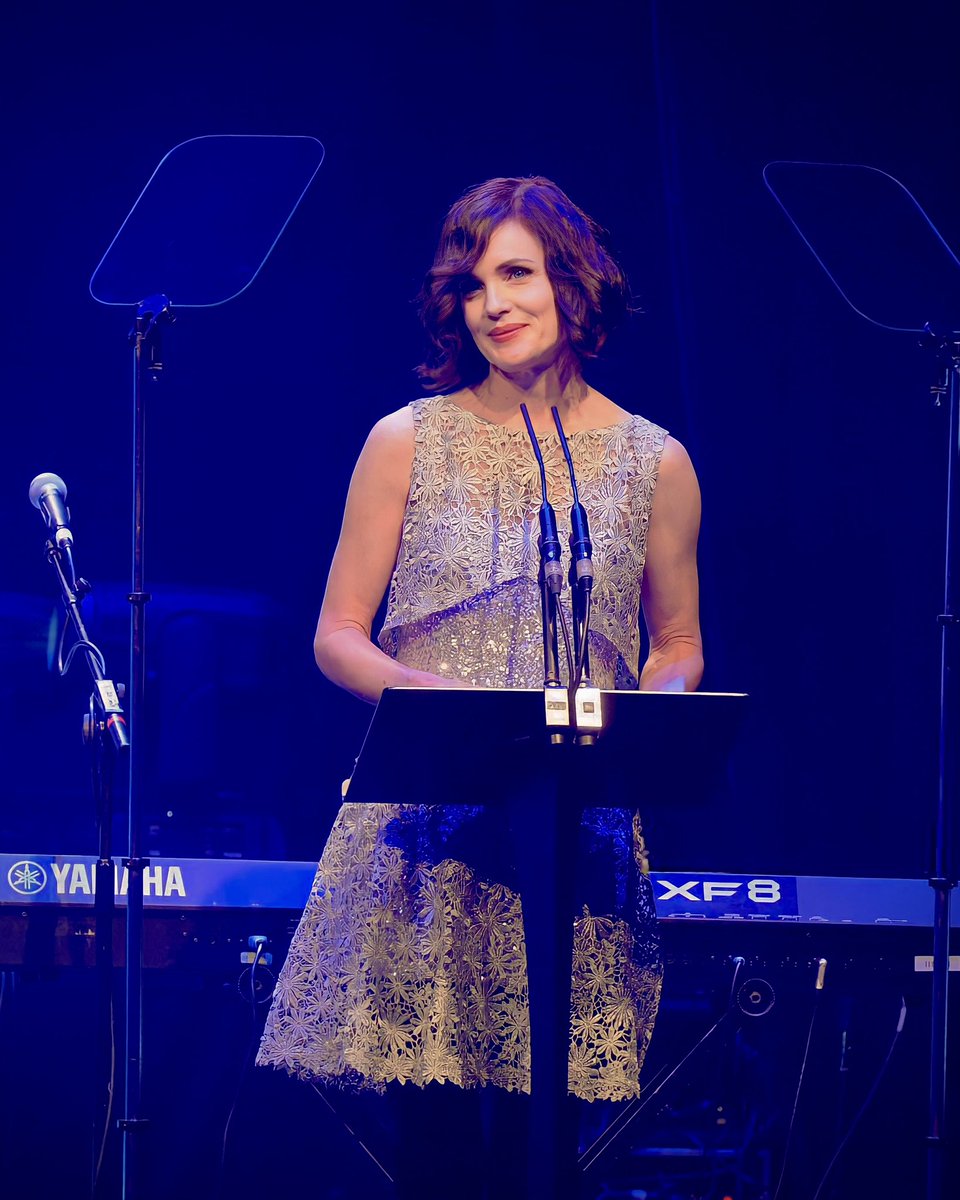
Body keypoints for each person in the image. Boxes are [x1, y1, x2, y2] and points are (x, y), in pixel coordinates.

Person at [256, 176, 703, 1195]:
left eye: (515, 275)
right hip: (431, 837)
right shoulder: (407, 439)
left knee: (551, 1158)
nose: (492, 304)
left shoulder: (655, 462)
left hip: (575, 837)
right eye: (470, 286)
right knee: (442, 1155)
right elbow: (336, 635)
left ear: (574, 284)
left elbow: (678, 640)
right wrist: (430, 701)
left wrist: (652, 709)